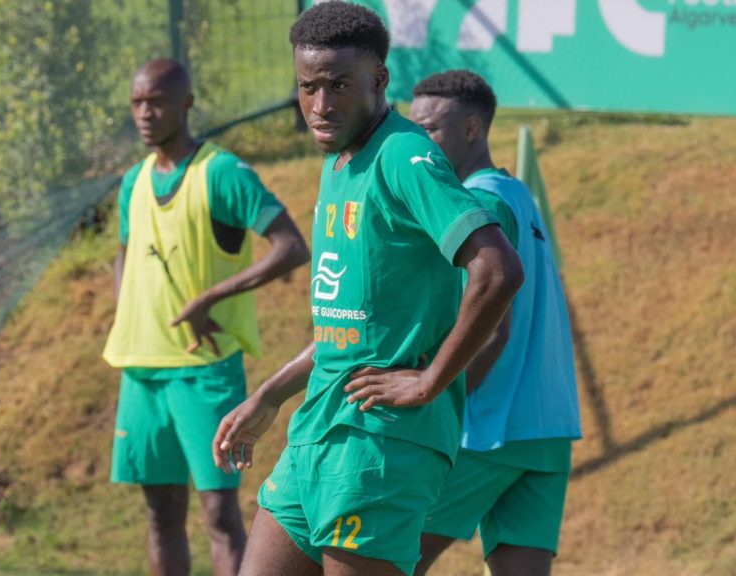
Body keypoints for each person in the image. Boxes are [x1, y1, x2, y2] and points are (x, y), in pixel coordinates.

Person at [211, 3, 524, 576]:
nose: (320, 105)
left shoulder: (405, 156)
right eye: (308, 87)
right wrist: (271, 396)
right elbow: (350, 328)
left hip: (380, 443)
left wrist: (429, 381)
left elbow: (497, 269)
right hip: (316, 431)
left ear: (378, 80)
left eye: (338, 85)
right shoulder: (338, 159)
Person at [102, 58, 309, 576]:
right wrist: (128, 311)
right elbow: (125, 253)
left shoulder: (221, 173)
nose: (144, 113)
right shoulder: (133, 181)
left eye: (156, 101)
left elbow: (291, 247)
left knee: (219, 514)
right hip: (142, 373)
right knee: (161, 513)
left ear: (187, 104)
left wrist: (210, 298)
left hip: (205, 370)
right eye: (137, 103)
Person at [407, 70, 582, 576]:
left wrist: (430, 401)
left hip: (488, 429)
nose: (419, 143)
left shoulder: (477, 203)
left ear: (472, 129)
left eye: (429, 129)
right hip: (547, 430)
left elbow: (491, 333)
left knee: (382, 560)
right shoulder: (517, 193)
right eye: (413, 129)